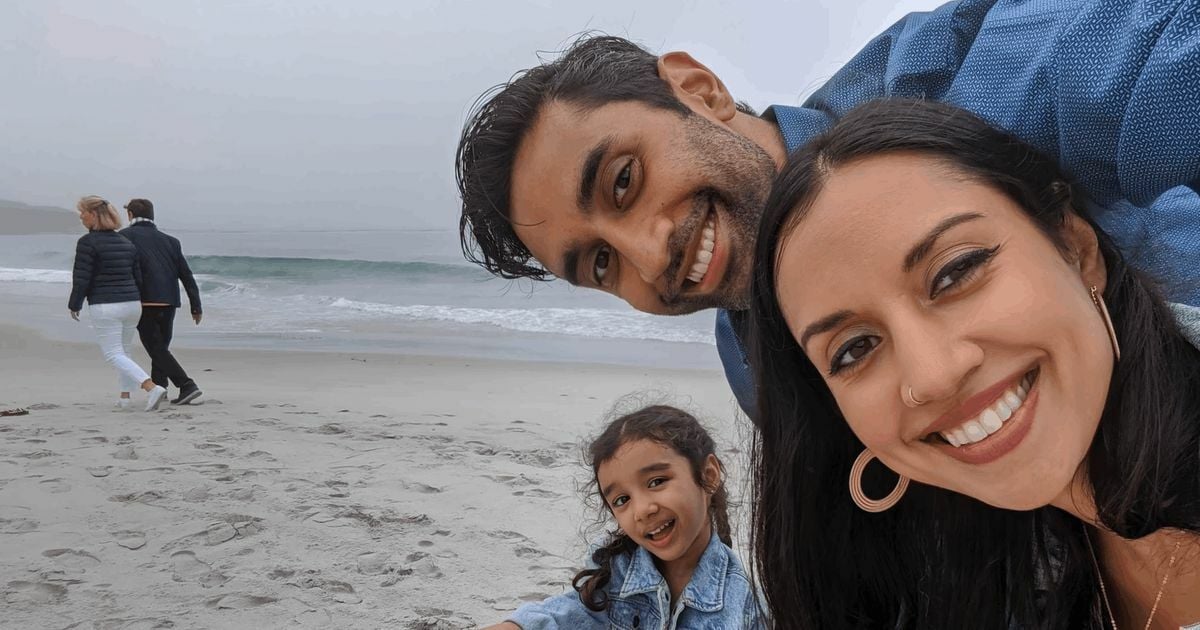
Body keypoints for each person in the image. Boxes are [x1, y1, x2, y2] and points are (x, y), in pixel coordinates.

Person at [455, 0, 1200, 415]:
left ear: (700, 91)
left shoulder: (989, 77)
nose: (651, 259)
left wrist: (1119, 282)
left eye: (624, 181)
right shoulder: (751, 358)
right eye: (601, 264)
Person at [746, 100, 1200, 629]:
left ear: (1076, 247)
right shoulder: (1000, 582)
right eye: (855, 349)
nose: (932, 376)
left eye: (955, 272)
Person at [483, 405, 765, 629]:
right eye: (622, 500)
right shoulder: (617, 567)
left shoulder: (746, 603)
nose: (641, 510)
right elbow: (574, 612)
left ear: (708, 475)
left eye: (656, 481)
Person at [68, 196, 169, 412]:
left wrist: (75, 303)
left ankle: (151, 387)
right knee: (124, 350)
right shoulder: (125, 242)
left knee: (113, 353)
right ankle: (125, 397)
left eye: (83, 212)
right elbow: (137, 277)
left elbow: (82, 277)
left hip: (106, 305)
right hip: (132, 304)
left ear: (93, 215)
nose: (81, 217)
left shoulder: (87, 243)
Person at [119, 198, 204, 405]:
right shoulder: (171, 241)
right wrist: (196, 306)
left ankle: (186, 385)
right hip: (169, 300)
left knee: (156, 349)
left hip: (143, 300)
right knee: (160, 348)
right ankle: (160, 388)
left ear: (130, 214)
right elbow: (186, 275)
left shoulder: (123, 237)